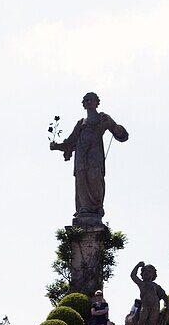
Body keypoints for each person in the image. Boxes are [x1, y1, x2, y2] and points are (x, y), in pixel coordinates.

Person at [49, 92, 129, 225]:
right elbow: (70, 142)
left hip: (94, 155)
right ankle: (84, 208)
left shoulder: (103, 118)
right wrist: (56, 146)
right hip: (81, 157)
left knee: (94, 177)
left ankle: (96, 208)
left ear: (97, 102)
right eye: (85, 100)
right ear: (83, 104)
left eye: (90, 100)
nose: (88, 102)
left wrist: (119, 131)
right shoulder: (81, 123)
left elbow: (118, 132)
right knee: (82, 180)